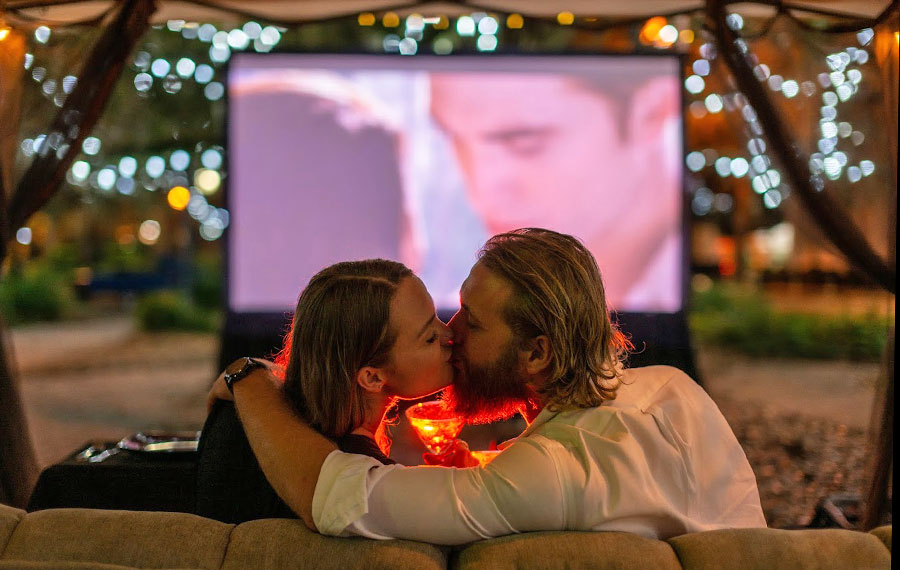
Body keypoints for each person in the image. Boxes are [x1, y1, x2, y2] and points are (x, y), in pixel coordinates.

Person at [208, 228, 766, 544]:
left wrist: (248, 378)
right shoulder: (674, 389)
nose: (450, 336)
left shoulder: (548, 471)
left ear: (537, 351)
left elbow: (335, 498)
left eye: (471, 323)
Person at [196, 259, 453, 522]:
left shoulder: (244, 414)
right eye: (430, 337)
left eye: (437, 320)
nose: (449, 335)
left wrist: (249, 374)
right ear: (372, 377)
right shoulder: (368, 491)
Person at [429, 71, 683, 313]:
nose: (480, 193)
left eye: (524, 140)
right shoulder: (462, 307)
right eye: (454, 139)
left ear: (650, 112)